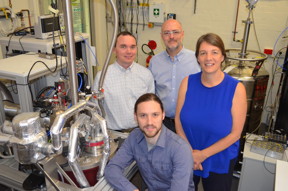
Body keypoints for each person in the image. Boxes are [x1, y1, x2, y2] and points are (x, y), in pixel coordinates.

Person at [175, 33, 247, 191]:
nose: (209, 57)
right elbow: (178, 122)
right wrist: (191, 153)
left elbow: (235, 134)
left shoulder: (236, 89)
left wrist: (203, 154)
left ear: (222, 57)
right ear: (198, 58)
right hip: (188, 154)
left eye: (214, 52)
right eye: (203, 53)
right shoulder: (187, 83)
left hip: (219, 157)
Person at [104, 93, 194, 191]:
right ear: (135, 117)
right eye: (143, 115)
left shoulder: (180, 149)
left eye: (155, 115)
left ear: (163, 115)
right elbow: (111, 168)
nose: (149, 122)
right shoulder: (134, 137)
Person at [93, 31, 154, 131]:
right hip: (114, 136)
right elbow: (96, 110)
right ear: (114, 50)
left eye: (132, 47)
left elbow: (151, 108)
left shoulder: (146, 74)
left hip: (141, 134)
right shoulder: (102, 77)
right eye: (123, 46)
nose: (129, 51)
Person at [149, 19, 201, 132]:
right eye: (166, 33)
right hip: (163, 123)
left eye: (175, 32)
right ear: (162, 36)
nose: (171, 36)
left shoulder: (196, 60)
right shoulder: (155, 62)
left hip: (189, 123)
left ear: (182, 34)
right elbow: (151, 92)